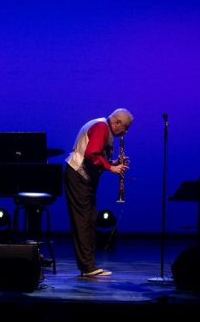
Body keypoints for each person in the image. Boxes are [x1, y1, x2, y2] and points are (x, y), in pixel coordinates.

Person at [64, 108, 133, 277]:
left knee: (89, 219)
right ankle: (87, 267)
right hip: (78, 176)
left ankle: (89, 265)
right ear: (116, 123)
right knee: (83, 221)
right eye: (125, 127)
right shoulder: (102, 127)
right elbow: (91, 154)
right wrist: (111, 167)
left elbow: (96, 155)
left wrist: (113, 161)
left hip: (81, 178)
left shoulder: (102, 126)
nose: (126, 131)